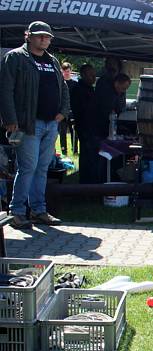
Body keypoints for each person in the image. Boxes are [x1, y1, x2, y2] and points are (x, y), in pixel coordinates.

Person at [0, 21, 69, 229]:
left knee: (42, 168)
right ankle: (18, 212)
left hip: (50, 124)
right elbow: (5, 90)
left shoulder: (53, 61)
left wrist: (63, 112)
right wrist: (10, 120)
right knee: (27, 167)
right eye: (39, 36)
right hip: (28, 124)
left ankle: (39, 210)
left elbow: (63, 88)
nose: (44, 39)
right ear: (28, 35)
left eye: (47, 37)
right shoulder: (15, 57)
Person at [71, 64, 101, 184]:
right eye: (91, 75)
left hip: (92, 128)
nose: (94, 78)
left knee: (92, 157)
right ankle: (86, 183)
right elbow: (82, 110)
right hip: (85, 128)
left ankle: (91, 182)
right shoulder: (78, 89)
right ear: (83, 75)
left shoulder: (89, 89)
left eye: (94, 75)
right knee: (87, 157)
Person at [59, 62, 78, 155]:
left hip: (73, 112)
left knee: (74, 132)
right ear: (62, 71)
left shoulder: (75, 84)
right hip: (62, 112)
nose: (66, 73)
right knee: (62, 132)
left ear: (70, 71)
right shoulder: (59, 83)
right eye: (64, 71)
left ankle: (75, 150)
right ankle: (63, 151)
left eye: (68, 71)